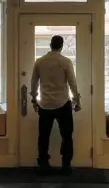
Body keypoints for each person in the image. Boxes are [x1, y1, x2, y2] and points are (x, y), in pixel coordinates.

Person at [30, 35, 81, 175]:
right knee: (67, 135)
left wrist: (34, 99)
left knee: (43, 135)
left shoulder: (40, 62)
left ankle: (44, 164)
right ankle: (66, 165)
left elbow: (34, 82)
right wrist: (77, 99)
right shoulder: (65, 61)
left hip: (45, 104)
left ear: (50, 45)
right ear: (62, 46)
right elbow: (72, 83)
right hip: (63, 103)